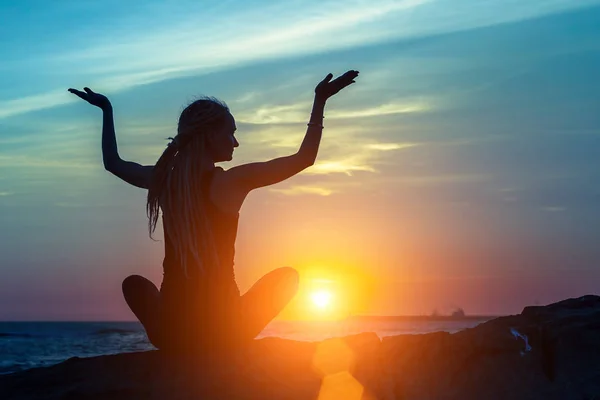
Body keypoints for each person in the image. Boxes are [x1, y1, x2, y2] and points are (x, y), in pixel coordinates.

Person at [68, 70, 359, 354]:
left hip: (173, 330)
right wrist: (320, 101)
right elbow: (304, 159)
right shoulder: (232, 181)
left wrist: (107, 110)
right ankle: (221, 345)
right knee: (287, 278)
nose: (235, 142)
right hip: (226, 331)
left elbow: (113, 163)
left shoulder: (164, 181)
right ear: (208, 136)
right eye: (230, 133)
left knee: (133, 284)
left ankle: (176, 344)